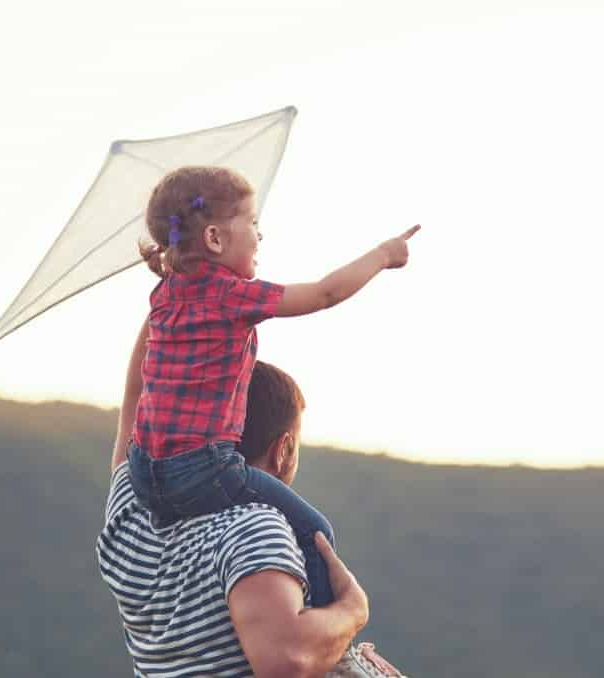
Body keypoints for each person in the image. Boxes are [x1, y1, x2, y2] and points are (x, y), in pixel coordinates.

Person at [128, 165, 420, 607]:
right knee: (315, 533)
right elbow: (324, 294)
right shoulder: (231, 293)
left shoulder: (165, 294)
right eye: (253, 223)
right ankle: (328, 653)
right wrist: (382, 254)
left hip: (143, 472)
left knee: (199, 536)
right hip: (204, 468)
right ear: (214, 239)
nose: (260, 236)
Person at [100, 360, 405, 677]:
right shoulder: (252, 526)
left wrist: (163, 312)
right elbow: (287, 662)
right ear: (282, 450)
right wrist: (352, 610)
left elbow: (137, 392)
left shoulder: (134, 513)